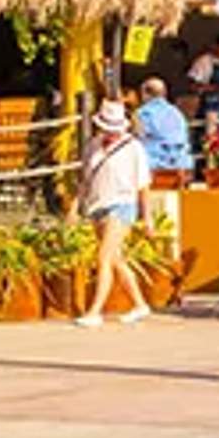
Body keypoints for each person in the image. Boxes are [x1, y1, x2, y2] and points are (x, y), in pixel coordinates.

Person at [75, 101, 152, 329]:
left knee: (104, 257)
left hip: (122, 204)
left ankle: (95, 310)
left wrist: (146, 216)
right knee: (116, 259)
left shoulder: (133, 148)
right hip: (97, 203)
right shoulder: (93, 145)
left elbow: (143, 184)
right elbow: (85, 179)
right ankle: (139, 304)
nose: (110, 133)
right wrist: (77, 205)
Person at [132, 77, 194, 239]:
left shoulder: (142, 113)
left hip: (154, 166)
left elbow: (138, 137)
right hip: (182, 165)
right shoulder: (176, 113)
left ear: (145, 94)